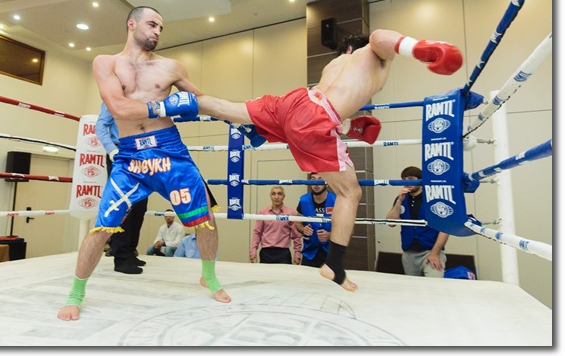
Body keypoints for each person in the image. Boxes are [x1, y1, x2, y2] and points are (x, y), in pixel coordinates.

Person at [197, 29, 463, 291]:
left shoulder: (334, 65)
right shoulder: (372, 55)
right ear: (355, 48)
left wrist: (347, 126)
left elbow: (330, 103)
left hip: (295, 101)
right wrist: (418, 49)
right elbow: (379, 37)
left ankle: (184, 100)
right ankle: (334, 264)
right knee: (350, 193)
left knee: (228, 108)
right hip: (316, 117)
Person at [58, 6, 230, 322]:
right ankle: (75, 295)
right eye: (152, 24)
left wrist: (245, 119)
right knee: (102, 226)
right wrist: (166, 106)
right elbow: (118, 107)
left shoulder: (171, 67)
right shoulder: (106, 63)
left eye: (161, 28)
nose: (157, 32)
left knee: (204, 215)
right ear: (131, 24)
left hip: (169, 150)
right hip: (129, 157)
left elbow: (201, 100)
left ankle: (209, 276)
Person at [96, 101, 148, 274]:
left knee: (140, 205)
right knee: (123, 204)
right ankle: (121, 257)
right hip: (121, 152)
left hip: (142, 153)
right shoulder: (113, 96)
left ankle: (130, 251)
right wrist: (111, 150)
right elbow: (101, 125)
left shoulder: (143, 97)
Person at [386, 166, 449, 277]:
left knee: (434, 285)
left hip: (431, 252)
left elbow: (445, 228)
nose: (407, 183)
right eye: (404, 180)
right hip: (409, 253)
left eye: (411, 179)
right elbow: (391, 222)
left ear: (420, 180)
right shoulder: (401, 199)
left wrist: (435, 253)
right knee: (412, 286)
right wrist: (399, 201)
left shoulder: (433, 199)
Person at [249, 186, 302, 265]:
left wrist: (297, 254)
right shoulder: (263, 213)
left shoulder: (291, 213)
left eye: (279, 194)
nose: (276, 197)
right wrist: (253, 250)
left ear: (284, 196)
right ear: (270, 196)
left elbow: (296, 236)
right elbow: (257, 233)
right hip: (266, 253)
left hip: (283, 254)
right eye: (273, 194)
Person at [295, 172, 335, 268]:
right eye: (313, 179)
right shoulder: (303, 200)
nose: (316, 183)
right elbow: (298, 223)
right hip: (309, 254)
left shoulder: (336, 200)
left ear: (327, 183)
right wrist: (303, 229)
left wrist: (330, 235)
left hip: (331, 253)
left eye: (320, 179)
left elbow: (348, 229)